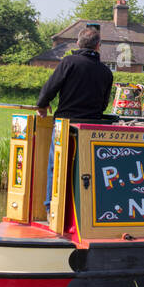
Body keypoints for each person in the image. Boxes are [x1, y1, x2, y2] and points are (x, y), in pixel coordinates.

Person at [37, 26, 113, 212]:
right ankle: (82, 211)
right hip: (91, 128)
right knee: (86, 169)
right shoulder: (106, 72)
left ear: (78, 43)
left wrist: (42, 104)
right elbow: (103, 104)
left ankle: (51, 209)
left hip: (66, 123)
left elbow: (51, 87)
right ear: (98, 46)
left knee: (56, 166)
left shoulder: (69, 62)